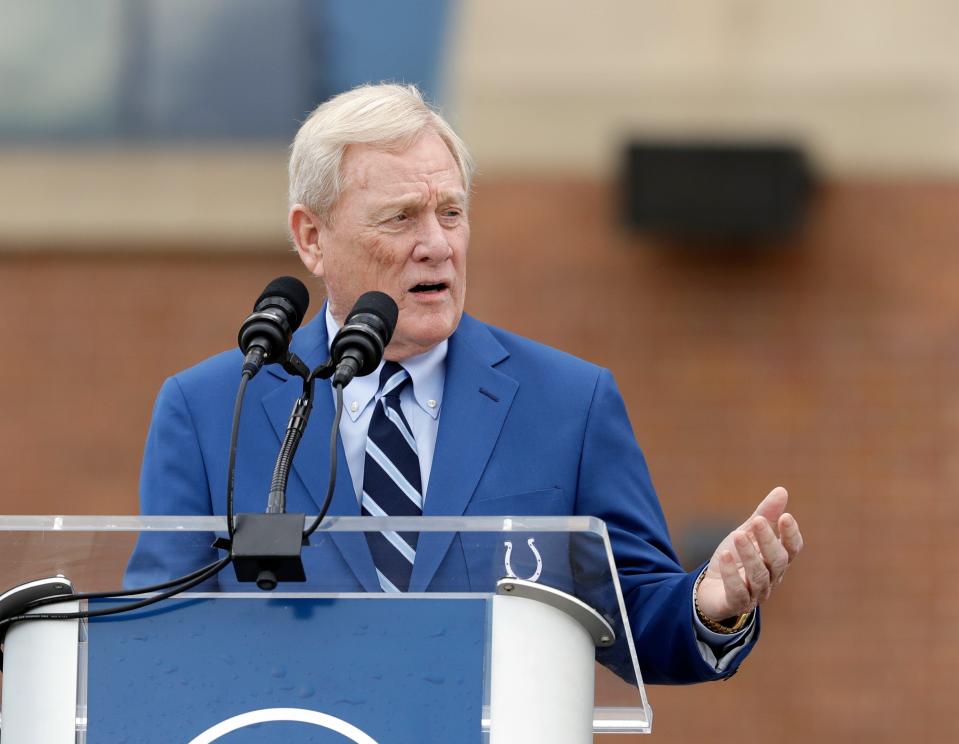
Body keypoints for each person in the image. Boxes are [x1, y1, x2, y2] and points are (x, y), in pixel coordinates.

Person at [128, 83, 802, 685]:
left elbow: (636, 616)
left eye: (450, 213)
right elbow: (151, 639)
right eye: (401, 217)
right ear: (311, 237)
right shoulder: (213, 407)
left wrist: (709, 604)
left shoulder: (569, 404)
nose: (437, 245)